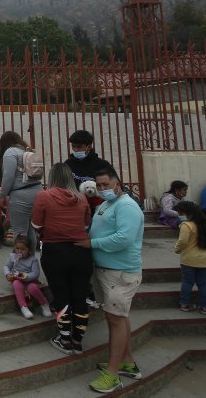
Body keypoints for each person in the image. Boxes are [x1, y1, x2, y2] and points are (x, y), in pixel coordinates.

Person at [78, 167, 144, 394]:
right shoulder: (107, 205)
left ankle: (113, 375)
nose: (103, 189)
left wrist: (92, 244)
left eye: (106, 185)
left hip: (120, 272)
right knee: (117, 317)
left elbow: (124, 238)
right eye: (100, 186)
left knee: (115, 319)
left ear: (118, 184)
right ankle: (127, 361)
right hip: (107, 270)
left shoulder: (127, 206)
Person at [32, 162, 92, 353]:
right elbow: (86, 225)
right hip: (81, 252)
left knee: (61, 295)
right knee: (80, 296)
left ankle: (65, 338)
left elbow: (36, 224)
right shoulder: (82, 198)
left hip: (55, 251)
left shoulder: (44, 196)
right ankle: (77, 339)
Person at [0, 131, 41, 252]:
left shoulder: (10, 152)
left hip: (20, 195)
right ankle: (31, 262)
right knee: (30, 230)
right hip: (37, 191)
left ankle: (21, 264)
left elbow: (8, 176)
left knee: (20, 231)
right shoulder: (27, 151)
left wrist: (2, 195)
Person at [172, 201, 206, 314]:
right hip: (204, 259)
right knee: (203, 284)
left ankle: (185, 304)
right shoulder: (204, 224)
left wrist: (177, 249)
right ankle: (205, 307)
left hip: (189, 259)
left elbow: (183, 241)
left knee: (187, 282)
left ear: (186, 212)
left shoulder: (186, 225)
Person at [3, 236, 52, 320]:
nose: (19, 251)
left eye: (23, 249)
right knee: (16, 284)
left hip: (30, 281)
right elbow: (6, 266)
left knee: (32, 288)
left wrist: (26, 277)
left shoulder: (33, 260)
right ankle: (23, 307)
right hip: (18, 279)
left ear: (29, 250)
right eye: (17, 248)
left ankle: (44, 303)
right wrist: (7, 274)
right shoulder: (12, 257)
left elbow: (36, 273)